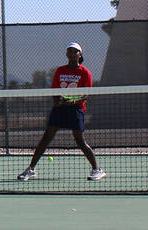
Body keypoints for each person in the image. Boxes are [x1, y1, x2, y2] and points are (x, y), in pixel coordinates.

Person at [19, 42, 104, 182]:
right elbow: (55, 90)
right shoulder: (60, 70)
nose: (72, 53)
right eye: (69, 51)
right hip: (59, 109)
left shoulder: (85, 72)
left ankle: (97, 170)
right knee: (46, 137)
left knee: (80, 140)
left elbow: (86, 94)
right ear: (66, 54)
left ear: (80, 54)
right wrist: (57, 101)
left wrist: (73, 102)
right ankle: (31, 169)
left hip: (76, 110)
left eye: (75, 51)